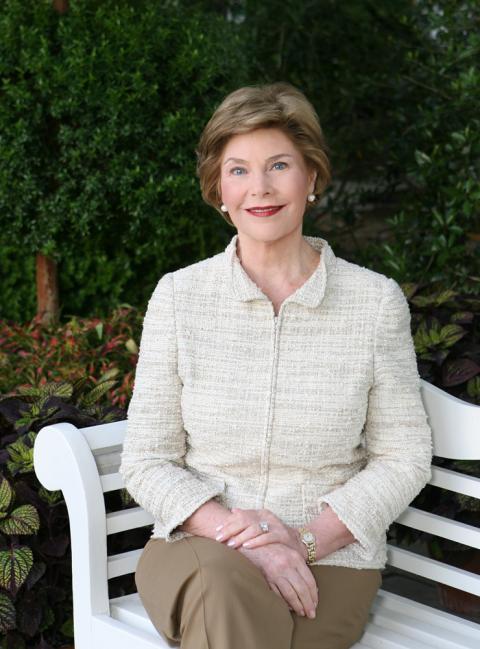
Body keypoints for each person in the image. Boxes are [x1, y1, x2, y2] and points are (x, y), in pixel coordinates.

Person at [119, 82, 433, 649]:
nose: (259, 189)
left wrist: (302, 541)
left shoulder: (374, 302)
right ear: (218, 187)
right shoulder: (179, 296)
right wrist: (245, 537)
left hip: (330, 561)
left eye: (279, 165)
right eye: (238, 170)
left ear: (311, 177)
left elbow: (402, 455)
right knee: (220, 587)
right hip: (197, 550)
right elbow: (146, 460)